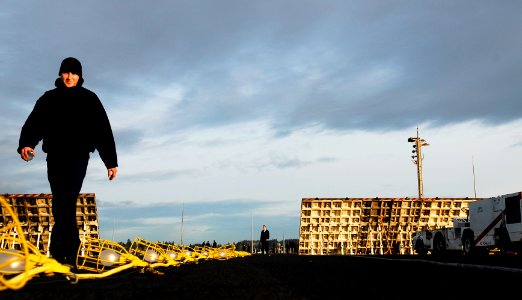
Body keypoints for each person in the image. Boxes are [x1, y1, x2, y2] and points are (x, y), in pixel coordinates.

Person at [17, 57, 118, 267]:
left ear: (79, 76)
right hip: (55, 156)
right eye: (66, 73)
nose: (69, 77)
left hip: (78, 157)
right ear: (60, 74)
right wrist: (27, 144)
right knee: (60, 203)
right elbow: (34, 123)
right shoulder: (48, 99)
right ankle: (62, 255)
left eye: (73, 73)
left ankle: (66, 254)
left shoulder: (90, 99)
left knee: (67, 200)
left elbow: (103, 132)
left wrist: (110, 161)